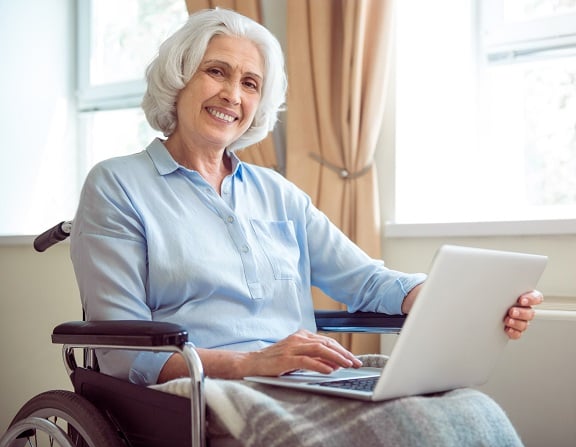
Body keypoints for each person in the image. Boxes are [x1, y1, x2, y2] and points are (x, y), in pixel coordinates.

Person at [70, 8, 542, 388]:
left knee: (461, 411)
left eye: (250, 83)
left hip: (301, 381)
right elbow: (125, 353)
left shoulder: (277, 194)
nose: (233, 95)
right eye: (217, 72)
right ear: (178, 79)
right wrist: (252, 362)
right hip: (200, 393)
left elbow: (367, 281)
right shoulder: (117, 186)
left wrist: (459, 301)